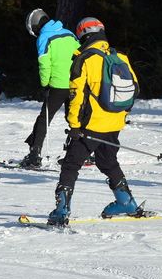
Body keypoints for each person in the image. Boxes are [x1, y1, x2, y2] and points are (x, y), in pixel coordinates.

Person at [47, 17, 141, 226]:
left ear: (83, 35)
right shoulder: (121, 57)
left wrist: (74, 125)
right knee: (108, 161)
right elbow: (135, 89)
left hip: (90, 125)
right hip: (114, 122)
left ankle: (62, 209)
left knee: (71, 164)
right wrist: (120, 116)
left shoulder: (85, 59)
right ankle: (126, 202)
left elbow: (76, 96)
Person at [21, 8, 80, 168]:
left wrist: (45, 84)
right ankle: (81, 151)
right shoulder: (69, 33)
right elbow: (80, 56)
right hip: (75, 83)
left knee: (44, 119)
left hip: (58, 85)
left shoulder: (44, 38)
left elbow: (44, 64)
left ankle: (34, 154)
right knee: (75, 117)